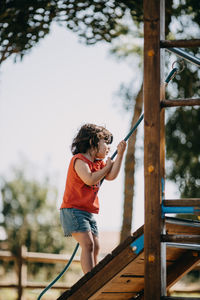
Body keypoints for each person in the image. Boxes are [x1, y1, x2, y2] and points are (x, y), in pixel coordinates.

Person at [60, 123, 126, 274]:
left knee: (96, 246)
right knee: (88, 244)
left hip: (87, 212)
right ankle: (89, 280)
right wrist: (106, 167)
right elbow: (89, 179)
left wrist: (120, 155)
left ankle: (94, 276)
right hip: (73, 210)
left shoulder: (98, 164)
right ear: (92, 142)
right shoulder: (79, 161)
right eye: (105, 143)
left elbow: (111, 176)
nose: (108, 147)